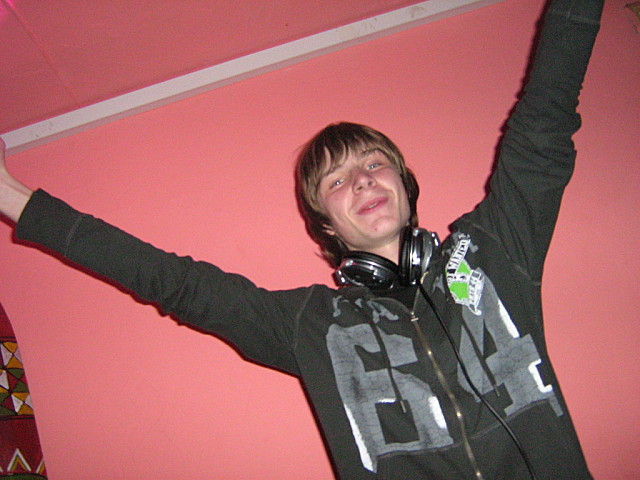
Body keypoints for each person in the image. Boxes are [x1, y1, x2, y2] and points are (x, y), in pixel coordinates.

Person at [0, 0, 603, 478]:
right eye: (336, 181)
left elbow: (543, 123)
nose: (361, 179)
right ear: (326, 226)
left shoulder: (493, 252)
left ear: (404, 184)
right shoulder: (312, 325)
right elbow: (174, 282)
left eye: (374, 163)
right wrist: (11, 197)